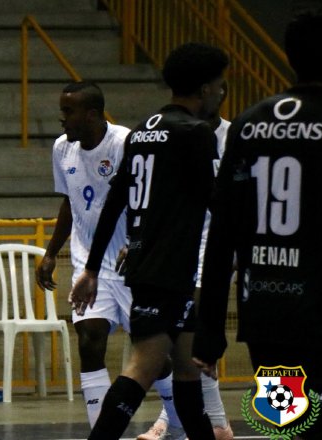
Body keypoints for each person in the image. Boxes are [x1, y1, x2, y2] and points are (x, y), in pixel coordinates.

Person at [71, 42, 229, 440]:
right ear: (205, 88)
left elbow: (115, 201)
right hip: (170, 268)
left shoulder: (144, 130)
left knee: (188, 373)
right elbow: (217, 203)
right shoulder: (194, 133)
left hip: (148, 263)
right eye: (220, 85)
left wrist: (92, 267)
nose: (222, 93)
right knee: (143, 367)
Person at [193, 10, 322, 439]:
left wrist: (210, 331)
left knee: (285, 426)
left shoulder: (251, 123)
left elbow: (222, 233)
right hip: (321, 310)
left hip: (267, 312)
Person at [35, 81, 186, 432]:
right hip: (89, 264)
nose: (62, 119)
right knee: (89, 340)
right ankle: (101, 430)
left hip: (132, 263)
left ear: (91, 114)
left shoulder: (125, 143)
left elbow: (152, 199)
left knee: (153, 356)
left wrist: (136, 242)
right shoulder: (62, 148)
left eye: (68, 111)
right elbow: (69, 201)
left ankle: (178, 421)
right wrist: (51, 251)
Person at [138, 83, 234, 440]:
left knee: (192, 335)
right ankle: (200, 420)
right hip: (179, 244)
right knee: (181, 341)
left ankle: (213, 422)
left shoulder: (234, 134)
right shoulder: (178, 133)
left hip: (216, 243)